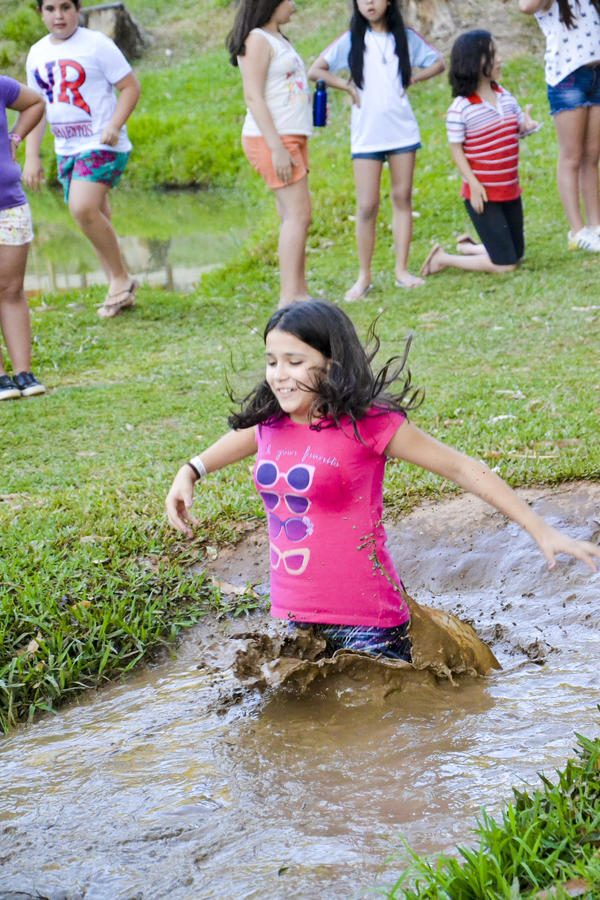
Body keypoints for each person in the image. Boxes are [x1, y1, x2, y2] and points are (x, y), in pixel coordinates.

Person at [165, 299, 600, 663]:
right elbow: (238, 438)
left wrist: (540, 529)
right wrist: (191, 471)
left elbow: (461, 467)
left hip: (367, 622)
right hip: (297, 618)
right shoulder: (271, 421)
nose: (279, 374)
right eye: (272, 361)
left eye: (295, 361)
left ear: (331, 363)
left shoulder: (368, 424)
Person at [307, 0, 444, 300]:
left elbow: (438, 62)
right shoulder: (351, 40)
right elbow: (316, 70)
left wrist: (414, 78)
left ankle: (401, 270)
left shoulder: (404, 37)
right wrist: (346, 87)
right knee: (367, 205)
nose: (369, 2)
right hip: (367, 135)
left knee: (402, 197)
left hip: (402, 131)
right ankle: (364, 276)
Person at [23, 0, 141, 318]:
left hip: (101, 143)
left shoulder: (97, 44)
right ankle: (118, 289)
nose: (58, 15)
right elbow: (36, 107)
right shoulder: (36, 53)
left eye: (65, 7)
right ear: (40, 13)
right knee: (96, 216)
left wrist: (115, 125)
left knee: (82, 208)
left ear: (78, 9)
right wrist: (32, 154)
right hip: (66, 148)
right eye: (50, 8)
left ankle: (121, 279)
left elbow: (130, 87)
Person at [419, 31, 540, 278]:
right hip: (483, 194)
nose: (499, 60)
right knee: (507, 265)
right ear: (474, 62)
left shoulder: (505, 97)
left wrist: (526, 125)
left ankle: (470, 248)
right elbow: (457, 150)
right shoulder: (461, 108)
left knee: (516, 254)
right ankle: (442, 259)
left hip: (509, 189)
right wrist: (473, 184)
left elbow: (516, 129)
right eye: (492, 55)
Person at [226, 0, 313, 308]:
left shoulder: (277, 38)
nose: (293, 4)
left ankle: (298, 291)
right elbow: (253, 96)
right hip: (273, 139)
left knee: (295, 216)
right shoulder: (256, 39)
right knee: (298, 215)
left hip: (292, 135)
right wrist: (276, 147)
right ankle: (289, 297)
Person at [520, 0, 600, 252]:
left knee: (592, 156)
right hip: (568, 77)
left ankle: (596, 226)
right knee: (571, 156)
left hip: (596, 72)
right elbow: (526, 6)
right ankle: (577, 231)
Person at [0, 77, 46, 401]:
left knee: (12, 289)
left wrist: (15, 137)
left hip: (10, 205)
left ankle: (23, 372)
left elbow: (35, 102)